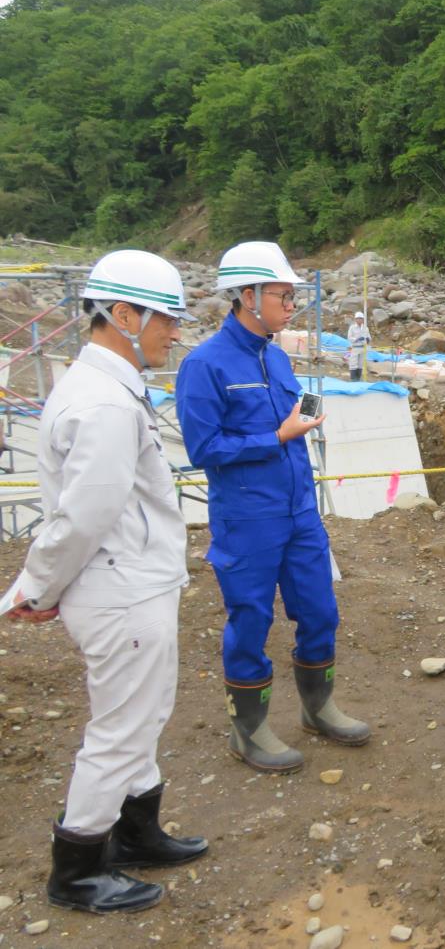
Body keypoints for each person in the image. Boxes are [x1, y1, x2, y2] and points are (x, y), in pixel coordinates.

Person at [5, 250, 207, 913]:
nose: (172, 334)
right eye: (166, 320)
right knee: (121, 726)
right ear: (123, 315)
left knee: (141, 712)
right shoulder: (104, 405)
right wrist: (36, 586)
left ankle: (138, 829)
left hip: (129, 578)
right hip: (121, 588)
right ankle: (80, 865)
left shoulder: (101, 387)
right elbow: (83, 515)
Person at [177, 240, 369, 774]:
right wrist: (276, 435)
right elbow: (204, 450)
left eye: (292, 296)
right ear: (247, 296)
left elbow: (289, 429)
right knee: (251, 618)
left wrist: (298, 428)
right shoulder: (204, 365)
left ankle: (317, 706)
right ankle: (249, 729)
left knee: (320, 609)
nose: (291, 305)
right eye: (283, 296)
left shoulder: (278, 356)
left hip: (298, 512)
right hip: (247, 519)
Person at [346, 310, 371, 382]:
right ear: (355, 319)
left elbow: (369, 337)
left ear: (363, 319)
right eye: (358, 318)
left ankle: (358, 378)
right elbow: (349, 338)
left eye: (361, 318)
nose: (359, 320)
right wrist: (357, 339)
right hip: (355, 347)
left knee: (360, 363)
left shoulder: (365, 328)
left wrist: (368, 339)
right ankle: (353, 379)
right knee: (353, 363)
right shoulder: (352, 327)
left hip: (362, 347)